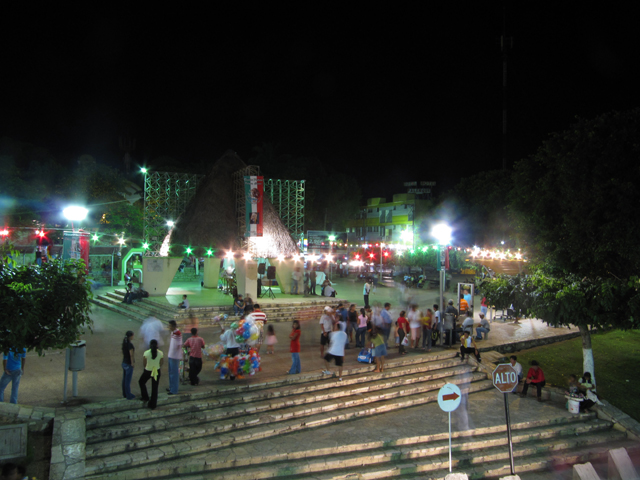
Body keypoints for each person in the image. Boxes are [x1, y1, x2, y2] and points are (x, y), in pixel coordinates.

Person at [139, 339, 163, 409]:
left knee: (141, 382)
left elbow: (144, 362)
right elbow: (161, 362)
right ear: (157, 345)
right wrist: (157, 366)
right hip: (157, 371)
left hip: (148, 370)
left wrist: (147, 368)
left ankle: (145, 396)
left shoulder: (146, 353)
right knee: (155, 387)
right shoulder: (160, 353)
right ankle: (153, 404)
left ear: (150, 345)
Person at [166, 320, 182, 395]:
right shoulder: (173, 333)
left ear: (173, 326)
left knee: (174, 373)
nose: (168, 327)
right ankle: (171, 387)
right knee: (170, 372)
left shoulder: (177, 333)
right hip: (171, 355)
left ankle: (174, 390)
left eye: (169, 325)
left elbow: (179, 345)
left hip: (174, 356)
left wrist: (176, 353)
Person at [121, 331, 136, 400]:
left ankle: (125, 393)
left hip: (124, 362)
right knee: (128, 380)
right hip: (128, 364)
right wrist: (132, 363)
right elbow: (131, 354)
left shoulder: (124, 343)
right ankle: (128, 395)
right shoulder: (130, 345)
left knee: (124, 379)